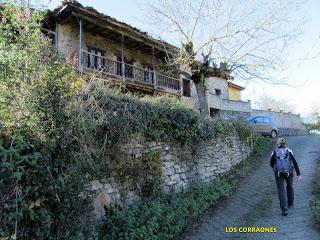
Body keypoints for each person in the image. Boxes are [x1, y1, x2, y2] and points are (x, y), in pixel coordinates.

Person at [270, 137, 302, 216]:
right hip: (289, 172)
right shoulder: (289, 151)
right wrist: (298, 174)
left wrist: (276, 168)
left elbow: (271, 163)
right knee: (290, 186)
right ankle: (290, 203)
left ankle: (284, 209)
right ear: (285, 143)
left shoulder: (274, 152)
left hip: (278, 173)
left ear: (278, 143)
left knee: (281, 190)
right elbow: (294, 162)